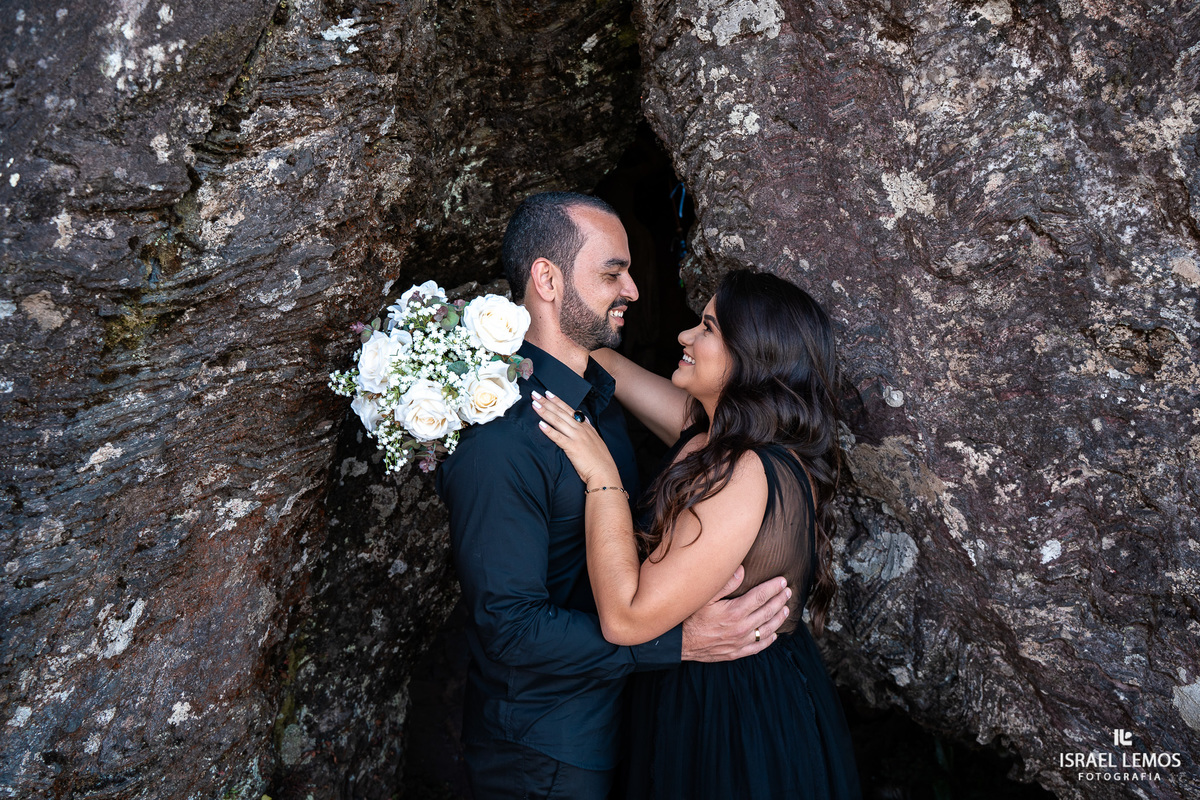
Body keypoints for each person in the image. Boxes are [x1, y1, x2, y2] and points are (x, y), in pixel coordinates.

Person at [434, 193, 793, 800]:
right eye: (611, 273)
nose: (632, 290)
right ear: (545, 279)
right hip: (541, 754)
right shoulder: (503, 437)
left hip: (614, 734)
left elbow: (721, 419)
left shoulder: (595, 404)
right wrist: (677, 640)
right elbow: (510, 631)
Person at [534, 269, 863, 799]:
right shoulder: (713, 435)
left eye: (707, 328)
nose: (685, 336)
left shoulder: (745, 469)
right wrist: (507, 326)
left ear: (752, 358)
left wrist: (601, 477)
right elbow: (606, 363)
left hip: (730, 715)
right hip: (700, 690)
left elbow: (626, 617)